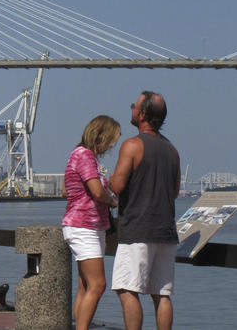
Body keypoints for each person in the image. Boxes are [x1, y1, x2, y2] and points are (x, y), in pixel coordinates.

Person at [109, 91, 181, 330]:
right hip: (166, 232)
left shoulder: (132, 145)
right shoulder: (172, 150)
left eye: (134, 106)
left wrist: (108, 179)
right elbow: (174, 191)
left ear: (142, 114)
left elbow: (117, 186)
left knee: (126, 288)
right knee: (162, 293)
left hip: (137, 230)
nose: (131, 109)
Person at [61, 115, 120, 330]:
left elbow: (65, 191)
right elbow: (96, 192)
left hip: (84, 226)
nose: (111, 147)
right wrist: (112, 200)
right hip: (84, 226)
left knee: (85, 286)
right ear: (101, 136)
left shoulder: (76, 155)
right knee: (98, 284)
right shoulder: (85, 155)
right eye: (111, 141)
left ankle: (79, 326)